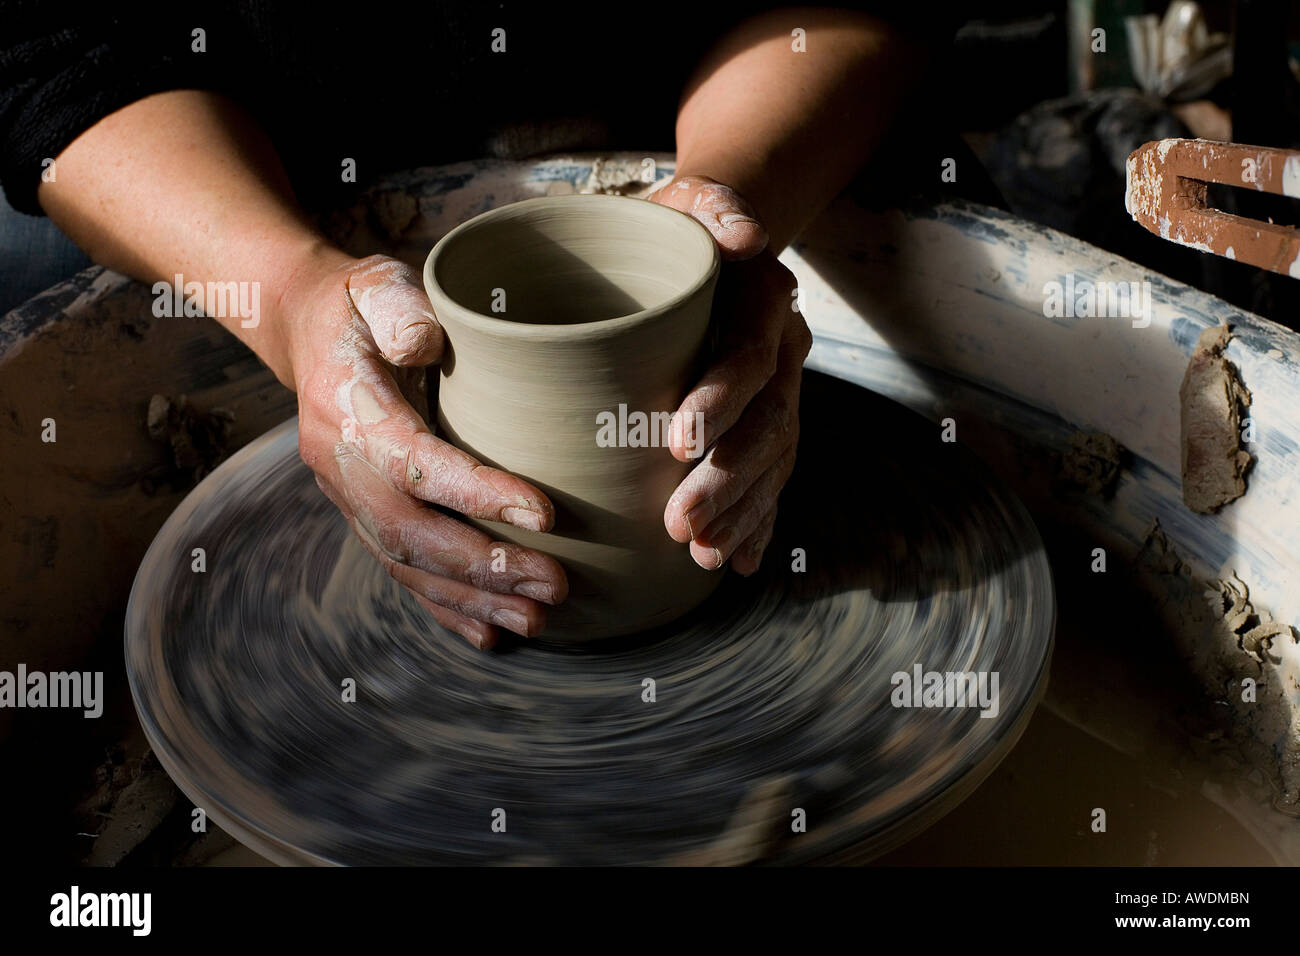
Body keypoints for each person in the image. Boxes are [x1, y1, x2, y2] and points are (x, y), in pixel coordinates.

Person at [2, 3, 930, 648]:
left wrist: (731, 209)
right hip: (253, 173)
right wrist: (286, 296)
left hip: (752, 123)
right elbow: (50, 51)